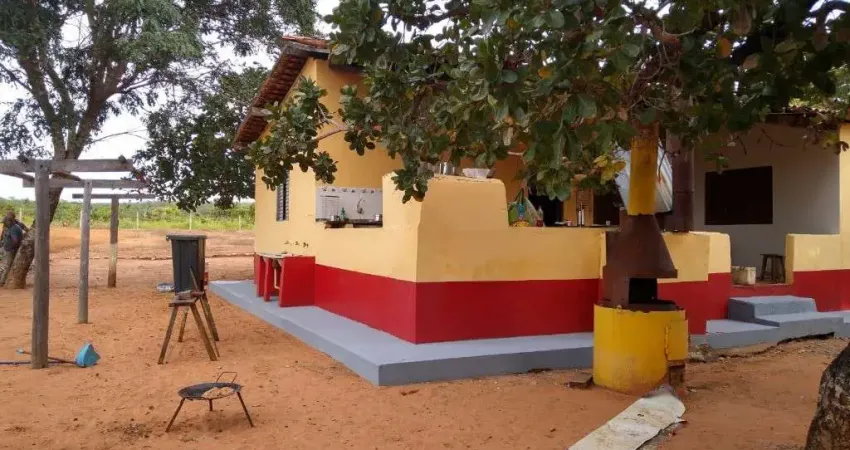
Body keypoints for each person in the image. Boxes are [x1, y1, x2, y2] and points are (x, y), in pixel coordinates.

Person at [0, 215, 24, 285]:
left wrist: (10, 248)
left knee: (7, 266)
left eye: (5, 222)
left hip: (9, 250)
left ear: (9, 221)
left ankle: (2, 281)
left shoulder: (14, 229)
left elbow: (15, 241)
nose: (4, 224)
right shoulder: (11, 227)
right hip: (6, 248)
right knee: (5, 265)